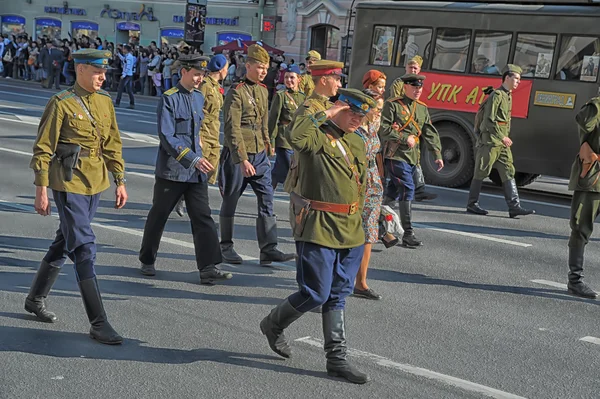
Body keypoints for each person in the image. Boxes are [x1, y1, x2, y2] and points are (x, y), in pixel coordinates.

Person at [260, 89, 375, 384]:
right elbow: (294, 137)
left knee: (338, 294)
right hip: (318, 226)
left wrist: (363, 221)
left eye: (361, 116)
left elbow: (359, 184)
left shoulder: (358, 141)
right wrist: (328, 112)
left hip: (350, 228)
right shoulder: (317, 135)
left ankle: (336, 360)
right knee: (316, 293)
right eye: (351, 113)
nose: (356, 120)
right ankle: (273, 324)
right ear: (339, 108)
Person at [27, 48, 128, 345]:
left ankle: (35, 299)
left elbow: (112, 143)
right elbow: (43, 149)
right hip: (68, 182)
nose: (103, 77)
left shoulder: (105, 102)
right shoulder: (61, 104)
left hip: (95, 181)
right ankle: (99, 322)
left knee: (65, 239)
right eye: (97, 71)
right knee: (83, 247)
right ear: (81, 69)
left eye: (105, 72)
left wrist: (119, 180)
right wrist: (41, 190)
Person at [138, 54, 232, 285]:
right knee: (159, 215)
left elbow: (199, 131)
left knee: (203, 217)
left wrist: (202, 155)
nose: (200, 78)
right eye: (197, 74)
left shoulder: (199, 98)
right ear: (184, 72)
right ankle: (147, 259)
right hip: (173, 170)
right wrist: (191, 158)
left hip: (195, 171)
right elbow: (167, 136)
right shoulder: (169, 99)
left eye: (203, 74)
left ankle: (208, 267)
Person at [219, 44, 295, 265]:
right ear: (248, 66)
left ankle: (268, 248)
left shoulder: (262, 90)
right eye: (260, 67)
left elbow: (263, 121)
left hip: (259, 155)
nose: (263, 71)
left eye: (266, 68)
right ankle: (225, 246)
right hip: (238, 155)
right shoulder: (236, 91)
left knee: (267, 197)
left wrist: (267, 145)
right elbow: (232, 128)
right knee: (231, 198)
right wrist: (241, 159)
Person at [379, 73, 444, 248]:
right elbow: (383, 129)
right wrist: (402, 137)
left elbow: (429, 132)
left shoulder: (422, 108)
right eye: (414, 87)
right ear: (405, 87)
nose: (418, 90)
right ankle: (408, 234)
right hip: (395, 155)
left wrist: (437, 154)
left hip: (412, 157)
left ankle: (377, 222)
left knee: (393, 193)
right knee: (408, 188)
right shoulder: (392, 105)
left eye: (420, 88)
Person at [466, 64, 535, 218]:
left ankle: (514, 206)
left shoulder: (508, 95)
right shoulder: (497, 95)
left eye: (519, 79)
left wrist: (503, 138)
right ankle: (472, 204)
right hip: (491, 141)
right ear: (507, 78)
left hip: (501, 144)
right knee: (481, 171)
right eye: (516, 78)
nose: (518, 82)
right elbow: (489, 121)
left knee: (508, 171)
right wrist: (502, 136)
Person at [174, 53, 228, 217]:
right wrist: (197, 136)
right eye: (226, 67)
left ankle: (190, 198)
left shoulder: (216, 86)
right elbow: (196, 109)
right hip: (204, 132)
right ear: (221, 69)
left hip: (213, 132)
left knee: (211, 169)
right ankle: (185, 199)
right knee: (199, 170)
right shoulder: (205, 85)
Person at [387, 56, 437, 202]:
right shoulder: (399, 83)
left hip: (413, 128)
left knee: (413, 159)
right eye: (410, 67)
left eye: (415, 68)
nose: (413, 70)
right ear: (405, 68)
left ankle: (417, 189)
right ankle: (417, 190)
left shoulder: (419, 85)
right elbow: (396, 104)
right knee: (401, 165)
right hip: (402, 128)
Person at [353, 89, 388, 300]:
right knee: (349, 234)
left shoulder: (372, 126)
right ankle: (338, 280)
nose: (379, 114)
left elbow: (376, 155)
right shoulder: (351, 128)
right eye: (377, 109)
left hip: (373, 186)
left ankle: (361, 283)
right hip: (356, 185)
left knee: (369, 235)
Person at [565, 96, 600, 299]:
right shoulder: (594, 106)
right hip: (593, 178)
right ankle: (575, 280)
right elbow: (583, 122)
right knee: (581, 228)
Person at [268, 64, 305, 190]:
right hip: (283, 139)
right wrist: (271, 142)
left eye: (292, 78)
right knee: (291, 168)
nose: (289, 80)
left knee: (279, 169)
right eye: (287, 77)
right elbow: (273, 119)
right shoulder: (281, 95)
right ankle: (294, 192)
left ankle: (267, 192)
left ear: (298, 79)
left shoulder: (303, 97)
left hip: (296, 139)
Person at [114, 45, 135, 109]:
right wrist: (119, 54)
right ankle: (132, 103)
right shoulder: (127, 56)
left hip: (127, 75)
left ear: (126, 50)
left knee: (120, 88)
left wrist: (124, 75)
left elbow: (128, 66)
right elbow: (123, 60)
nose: (123, 50)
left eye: (123, 49)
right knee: (129, 90)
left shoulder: (129, 57)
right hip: (129, 75)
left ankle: (117, 102)